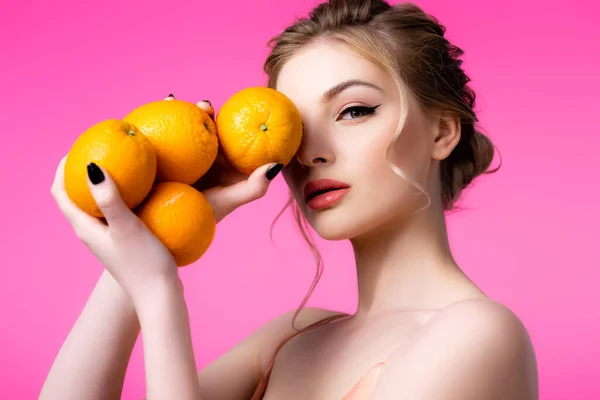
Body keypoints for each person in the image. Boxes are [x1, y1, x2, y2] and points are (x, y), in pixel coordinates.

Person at [40, 0, 539, 399]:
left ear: (443, 131)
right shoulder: (293, 338)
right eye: (295, 130)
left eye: (354, 110)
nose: (311, 155)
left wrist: (158, 293)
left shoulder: (480, 336)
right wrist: (143, 239)